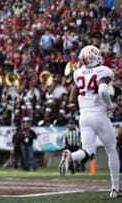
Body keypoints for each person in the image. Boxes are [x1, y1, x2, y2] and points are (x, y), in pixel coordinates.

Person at [58, 45, 121, 197]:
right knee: (112, 150)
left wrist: (73, 103)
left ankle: (70, 156)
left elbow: (74, 92)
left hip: (84, 116)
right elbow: (103, 90)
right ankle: (115, 189)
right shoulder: (103, 71)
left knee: (88, 152)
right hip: (98, 114)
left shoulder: (78, 72)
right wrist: (109, 105)